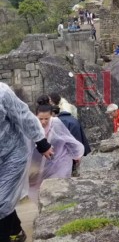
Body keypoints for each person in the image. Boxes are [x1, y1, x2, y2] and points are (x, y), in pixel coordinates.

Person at [0, 83, 53, 242]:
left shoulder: (2, 93)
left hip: (12, 154)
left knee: (1, 201)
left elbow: (22, 114)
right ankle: (16, 230)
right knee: (4, 201)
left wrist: (41, 142)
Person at [28, 104, 85, 202]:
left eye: (47, 118)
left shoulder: (56, 124)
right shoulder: (31, 125)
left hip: (60, 161)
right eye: (40, 119)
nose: (43, 122)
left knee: (58, 188)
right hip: (41, 166)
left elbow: (68, 139)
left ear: (52, 116)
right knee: (39, 192)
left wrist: (76, 154)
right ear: (35, 116)